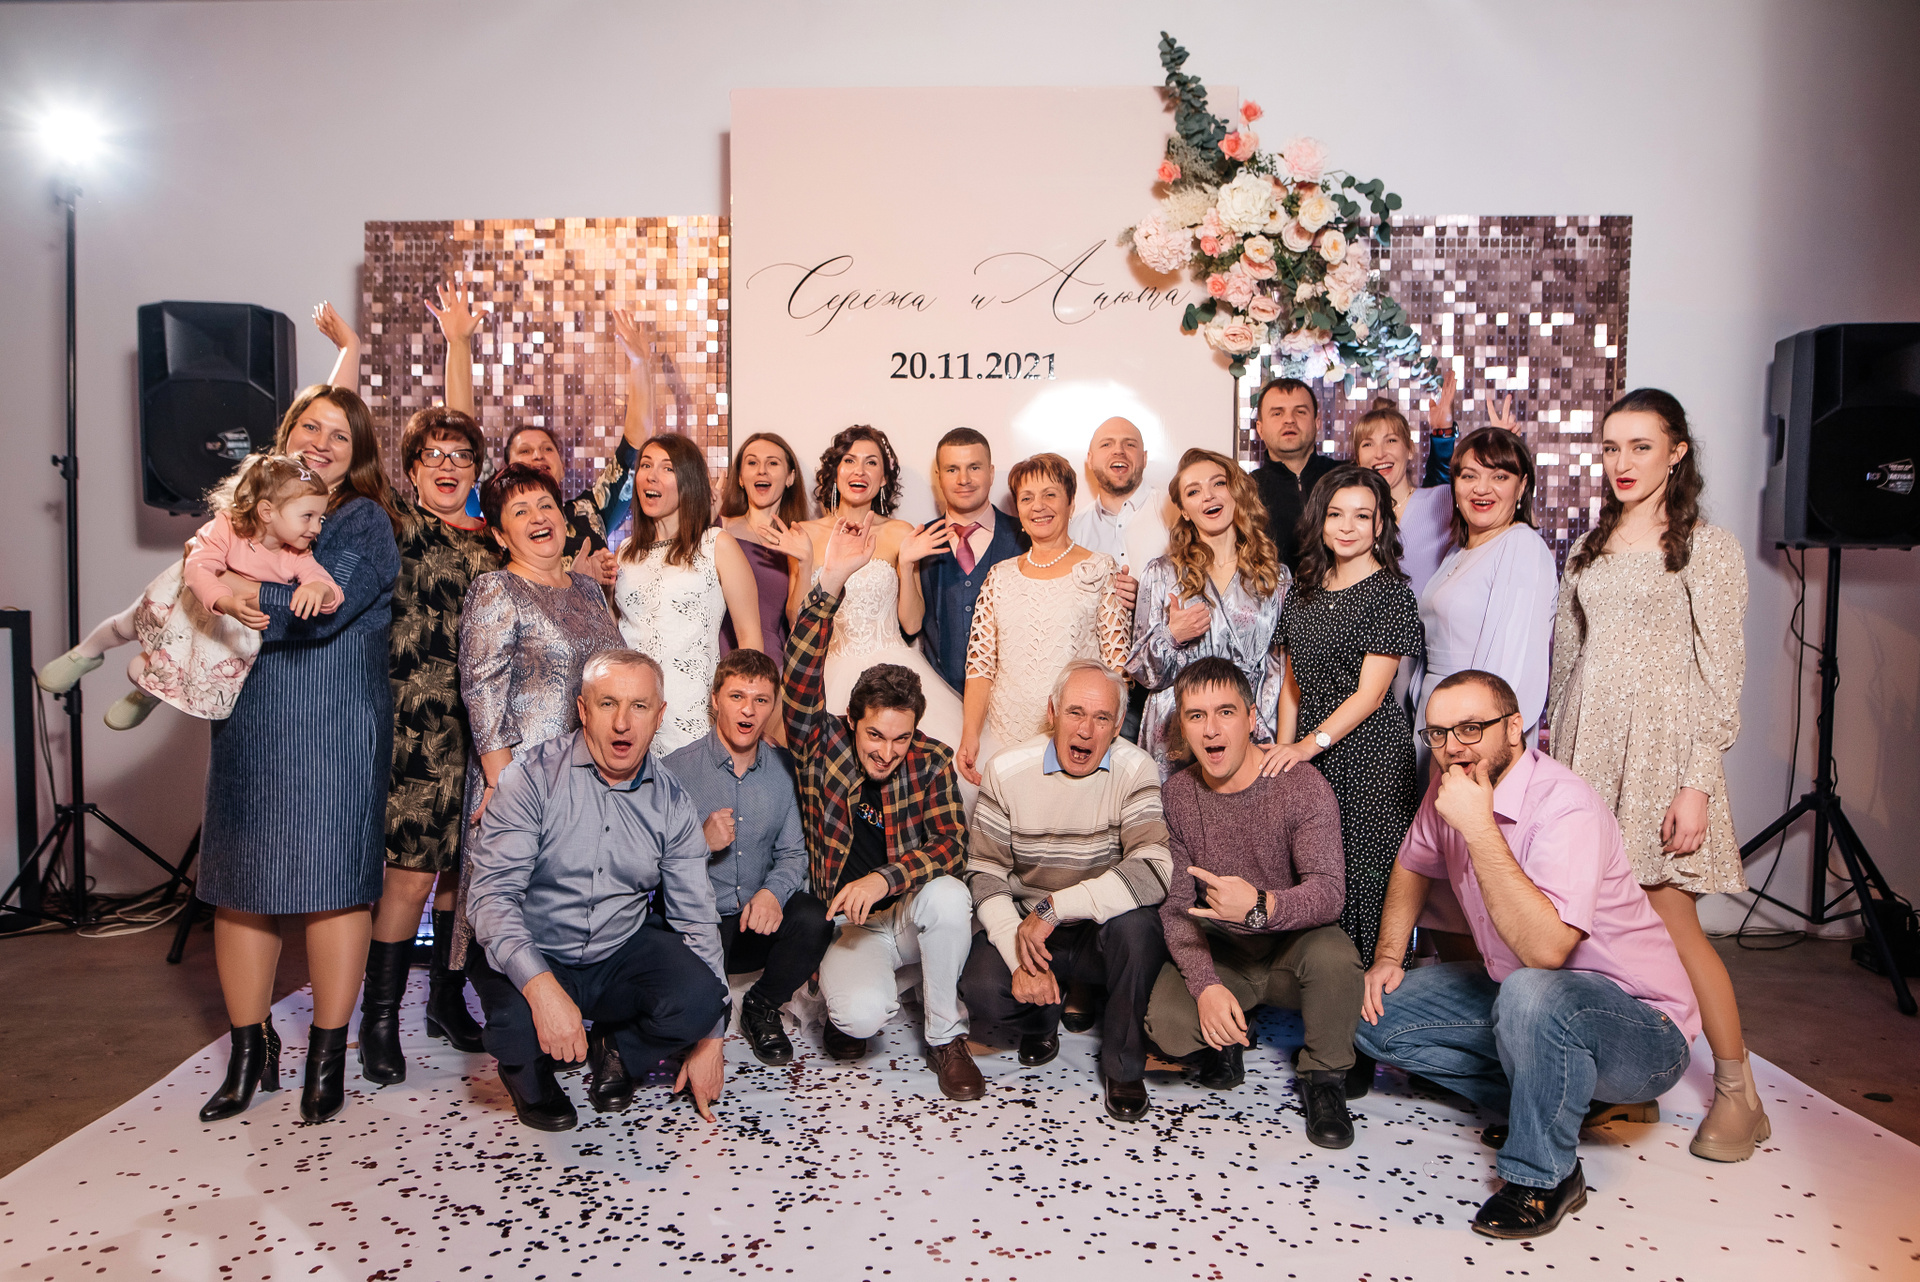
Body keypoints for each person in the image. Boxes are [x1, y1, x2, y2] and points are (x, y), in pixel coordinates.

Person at [1359, 670, 1700, 1239]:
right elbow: (1414, 863)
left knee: (1530, 991)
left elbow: (1546, 951)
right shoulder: (1450, 785)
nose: (1452, 747)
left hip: (1643, 1029)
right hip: (1526, 997)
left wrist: (1478, 827)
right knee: (1374, 1016)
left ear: (1514, 728)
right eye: (1438, 733)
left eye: (1471, 728)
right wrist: (1390, 956)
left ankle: (1545, 1175)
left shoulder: (1565, 807)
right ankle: (1560, 1101)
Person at [1548, 388, 1759, 1162]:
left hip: (1663, 755)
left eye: (1641, 446)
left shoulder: (1707, 546)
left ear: (1677, 452)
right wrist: (1553, 772)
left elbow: (1722, 675)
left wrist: (1696, 782)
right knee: (1596, 930)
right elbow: (1566, 664)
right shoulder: (1587, 547)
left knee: (1673, 925)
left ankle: (1738, 1094)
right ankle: (1624, 1082)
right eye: (1611, 447)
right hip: (1588, 750)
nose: (1623, 462)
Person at [189, 382, 401, 1126]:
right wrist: (217, 583)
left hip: (337, 721)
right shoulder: (245, 513)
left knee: (334, 886)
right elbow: (196, 584)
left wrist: (229, 587)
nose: (322, 442)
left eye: (341, 435)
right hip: (251, 716)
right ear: (287, 434)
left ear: (358, 453)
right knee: (241, 886)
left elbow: (319, 612)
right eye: (311, 426)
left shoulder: (365, 520)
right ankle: (250, 1053)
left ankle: (325, 1056)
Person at [465, 650, 729, 1131]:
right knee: (514, 1029)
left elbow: (696, 918)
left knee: (703, 999)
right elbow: (491, 899)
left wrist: (711, 1039)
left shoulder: (673, 802)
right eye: (608, 704)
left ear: (659, 716)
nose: (623, 723)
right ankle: (530, 1080)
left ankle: (617, 1049)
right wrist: (542, 990)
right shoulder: (530, 777)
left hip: (616, 949)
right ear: (583, 710)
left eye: (639, 706)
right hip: (537, 945)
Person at [781, 513, 983, 1102]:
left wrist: (884, 878)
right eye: (875, 736)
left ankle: (945, 1036)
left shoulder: (930, 758)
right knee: (858, 1018)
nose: (887, 752)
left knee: (950, 896)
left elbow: (950, 846)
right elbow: (799, 678)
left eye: (900, 738)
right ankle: (853, 990)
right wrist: (829, 585)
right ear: (852, 722)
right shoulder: (822, 744)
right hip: (853, 928)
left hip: (909, 914)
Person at [1143, 658, 1361, 1149]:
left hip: (1292, 947)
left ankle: (1324, 1079)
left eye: (1225, 712)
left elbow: (1329, 893)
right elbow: (1176, 908)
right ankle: (1230, 1036)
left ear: (1250, 717)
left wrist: (1261, 906)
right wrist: (1205, 986)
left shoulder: (1299, 784)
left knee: (1337, 960)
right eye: (1196, 716)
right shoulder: (1177, 795)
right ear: (1182, 727)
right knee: (1169, 1028)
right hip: (1225, 950)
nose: (1211, 729)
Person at [960, 659, 1170, 1121]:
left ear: (1119, 723)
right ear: (1053, 712)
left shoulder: (1136, 768)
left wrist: (1057, 906)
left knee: (1141, 931)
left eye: (1102, 718)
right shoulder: (1006, 770)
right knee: (980, 987)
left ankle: (1123, 1066)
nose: (1086, 730)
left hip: (1099, 928)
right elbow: (985, 872)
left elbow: (1155, 870)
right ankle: (1043, 1015)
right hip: (1032, 931)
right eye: (1076, 712)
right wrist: (1020, 959)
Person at [359, 405, 502, 1083]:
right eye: (433, 455)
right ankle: (378, 1021)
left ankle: (445, 1001)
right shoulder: (394, 525)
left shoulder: (494, 546)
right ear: (411, 470)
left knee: (459, 876)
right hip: (412, 732)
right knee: (411, 877)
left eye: (461, 455)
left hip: (479, 735)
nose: (448, 465)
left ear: (477, 471)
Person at [447, 464, 625, 975]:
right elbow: (482, 691)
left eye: (546, 505)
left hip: (588, 779)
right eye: (520, 511)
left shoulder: (587, 590)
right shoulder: (495, 588)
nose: (538, 517)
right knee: (518, 920)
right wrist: (502, 786)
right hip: (522, 779)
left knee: (577, 912)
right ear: (501, 535)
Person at [40, 453, 337, 729]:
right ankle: (86, 653)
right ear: (267, 512)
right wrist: (225, 600)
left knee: (146, 669)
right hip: (186, 600)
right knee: (127, 624)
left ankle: (146, 694)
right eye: (308, 516)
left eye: (320, 518)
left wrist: (318, 589)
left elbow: (330, 589)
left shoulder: (297, 555)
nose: (317, 528)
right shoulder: (226, 526)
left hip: (218, 630)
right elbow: (198, 568)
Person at [1266, 465, 1424, 975]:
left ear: (1380, 524)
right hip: (1312, 754)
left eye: (1361, 515)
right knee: (1313, 872)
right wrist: (1283, 754)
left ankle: (1372, 1002)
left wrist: (1306, 746)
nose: (1347, 526)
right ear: (1320, 520)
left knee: (1366, 877)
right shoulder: (1304, 589)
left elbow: (1371, 696)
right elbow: (1291, 686)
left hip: (1370, 759)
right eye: (1336, 514)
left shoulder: (1391, 593)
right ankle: (1323, 990)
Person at [392, 287, 658, 582]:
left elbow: (634, 446)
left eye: (547, 449)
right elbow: (461, 433)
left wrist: (640, 364)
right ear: (505, 470)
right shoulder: (493, 513)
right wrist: (459, 343)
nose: (537, 455)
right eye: (525, 451)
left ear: (562, 467)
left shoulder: (591, 508)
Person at [663, 648, 833, 1066]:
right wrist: (699, 843)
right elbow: (648, 865)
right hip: (698, 929)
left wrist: (772, 893)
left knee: (815, 917)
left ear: (772, 707)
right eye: (737, 696)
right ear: (715, 700)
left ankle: (762, 1007)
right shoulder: (674, 771)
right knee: (690, 1022)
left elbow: (793, 854)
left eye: (761, 700)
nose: (748, 710)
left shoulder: (785, 769)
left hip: (758, 924)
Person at [958, 453, 1131, 785]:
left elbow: (1117, 668)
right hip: (1004, 739)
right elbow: (981, 667)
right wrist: (970, 734)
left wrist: (1098, 733)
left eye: (1050, 494)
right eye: (1027, 498)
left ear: (1070, 503)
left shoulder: (1100, 568)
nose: (1038, 506)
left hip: (1077, 743)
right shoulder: (999, 576)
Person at [796, 426, 969, 753]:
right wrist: (805, 563)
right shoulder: (806, 534)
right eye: (849, 461)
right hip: (828, 672)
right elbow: (796, 622)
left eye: (871, 462)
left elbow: (912, 625)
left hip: (894, 669)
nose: (859, 471)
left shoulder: (900, 532)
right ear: (835, 471)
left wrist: (906, 564)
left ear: (884, 478)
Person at [1125, 447, 1288, 777]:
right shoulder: (1161, 573)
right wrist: (1172, 636)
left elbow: (1278, 670)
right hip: (1176, 731)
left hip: (1246, 727)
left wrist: (1262, 732)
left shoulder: (1275, 577)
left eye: (1218, 483)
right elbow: (1141, 672)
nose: (1208, 496)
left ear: (1235, 492)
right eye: (1193, 491)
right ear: (1184, 511)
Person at [612, 431, 765, 756]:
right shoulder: (625, 552)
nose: (651, 475)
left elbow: (750, 639)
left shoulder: (716, 545)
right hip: (630, 718)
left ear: (689, 481)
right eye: (646, 465)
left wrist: (744, 715)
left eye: (667, 468)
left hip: (693, 716)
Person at [1418, 424, 1558, 749]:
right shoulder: (1456, 553)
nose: (1482, 489)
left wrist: (1477, 736)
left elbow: (1513, 662)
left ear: (1522, 486)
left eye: (1499, 476)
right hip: (1436, 715)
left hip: (1475, 730)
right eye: (1469, 476)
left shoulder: (1521, 545)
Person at [897, 427, 1026, 696]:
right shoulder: (919, 540)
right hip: (938, 697)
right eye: (952, 469)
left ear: (991, 473)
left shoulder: (1025, 536)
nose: (963, 479)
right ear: (939, 477)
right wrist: (905, 566)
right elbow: (911, 626)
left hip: (1010, 698)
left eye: (974, 468)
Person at [1066, 417, 1157, 736]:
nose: (1119, 450)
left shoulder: (1173, 513)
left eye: (1129, 444)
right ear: (1090, 459)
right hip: (1098, 688)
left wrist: (1148, 597)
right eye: (1107, 444)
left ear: (1144, 457)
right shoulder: (1072, 529)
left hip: (1165, 683)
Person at [1349, 369, 1463, 597]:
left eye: (1391, 440)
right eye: (1368, 444)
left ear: (1410, 449)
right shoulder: (1349, 515)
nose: (1380, 453)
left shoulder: (1441, 499)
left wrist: (1444, 433)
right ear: (1358, 458)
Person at [717, 431, 814, 666]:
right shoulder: (718, 528)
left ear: (790, 477)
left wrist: (805, 563)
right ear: (740, 478)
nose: (762, 470)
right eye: (752, 463)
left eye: (772, 463)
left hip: (769, 664)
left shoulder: (800, 539)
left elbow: (797, 621)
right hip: (715, 658)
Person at [1250, 377, 1339, 571]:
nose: (1289, 420)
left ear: (1317, 423)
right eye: (1277, 413)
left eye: (1300, 411)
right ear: (1260, 429)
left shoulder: (1346, 478)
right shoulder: (1244, 491)